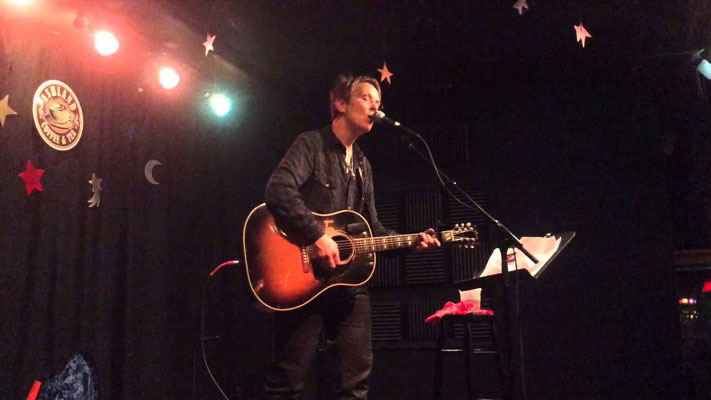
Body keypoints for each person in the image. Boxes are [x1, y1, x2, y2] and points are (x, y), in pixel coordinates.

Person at [261, 74, 440, 399]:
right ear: (340, 103)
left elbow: (371, 228)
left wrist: (411, 242)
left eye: (378, 102)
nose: (375, 106)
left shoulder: (362, 165)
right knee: (288, 381)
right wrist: (318, 235)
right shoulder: (311, 144)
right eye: (366, 98)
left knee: (354, 384)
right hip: (302, 279)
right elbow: (279, 189)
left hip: (349, 286)